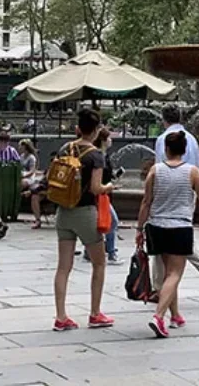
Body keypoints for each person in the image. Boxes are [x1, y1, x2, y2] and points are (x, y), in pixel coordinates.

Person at [137, 129, 199, 338]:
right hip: (180, 227)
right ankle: (159, 316)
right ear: (185, 150)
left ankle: (176, 315)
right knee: (175, 274)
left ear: (166, 150)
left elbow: (146, 201)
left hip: (156, 226)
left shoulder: (155, 170)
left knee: (168, 273)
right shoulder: (193, 172)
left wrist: (139, 228)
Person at [53, 107, 116, 332]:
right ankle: (95, 313)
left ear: (77, 128)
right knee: (99, 262)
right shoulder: (95, 155)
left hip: (63, 211)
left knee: (63, 266)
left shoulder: (65, 148)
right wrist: (110, 186)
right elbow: (96, 187)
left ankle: (61, 316)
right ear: (97, 130)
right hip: (85, 212)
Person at [152, 105, 199, 305]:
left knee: (160, 239)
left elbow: (159, 168)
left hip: (166, 192)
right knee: (181, 233)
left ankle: (158, 287)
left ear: (164, 119)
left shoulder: (163, 139)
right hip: (187, 191)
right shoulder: (191, 138)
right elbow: (197, 170)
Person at [84, 127, 120, 264]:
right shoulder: (98, 156)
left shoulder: (104, 155)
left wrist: (113, 179)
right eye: (109, 138)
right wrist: (109, 186)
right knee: (112, 221)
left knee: (101, 222)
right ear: (104, 140)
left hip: (103, 194)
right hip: (99, 194)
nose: (111, 140)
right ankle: (111, 252)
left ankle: (90, 252)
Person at [21, 139, 49, 229]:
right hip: (47, 189)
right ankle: (38, 220)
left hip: (54, 190)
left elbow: (33, 171)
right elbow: (44, 184)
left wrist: (31, 191)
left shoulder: (31, 157)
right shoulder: (21, 156)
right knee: (35, 196)